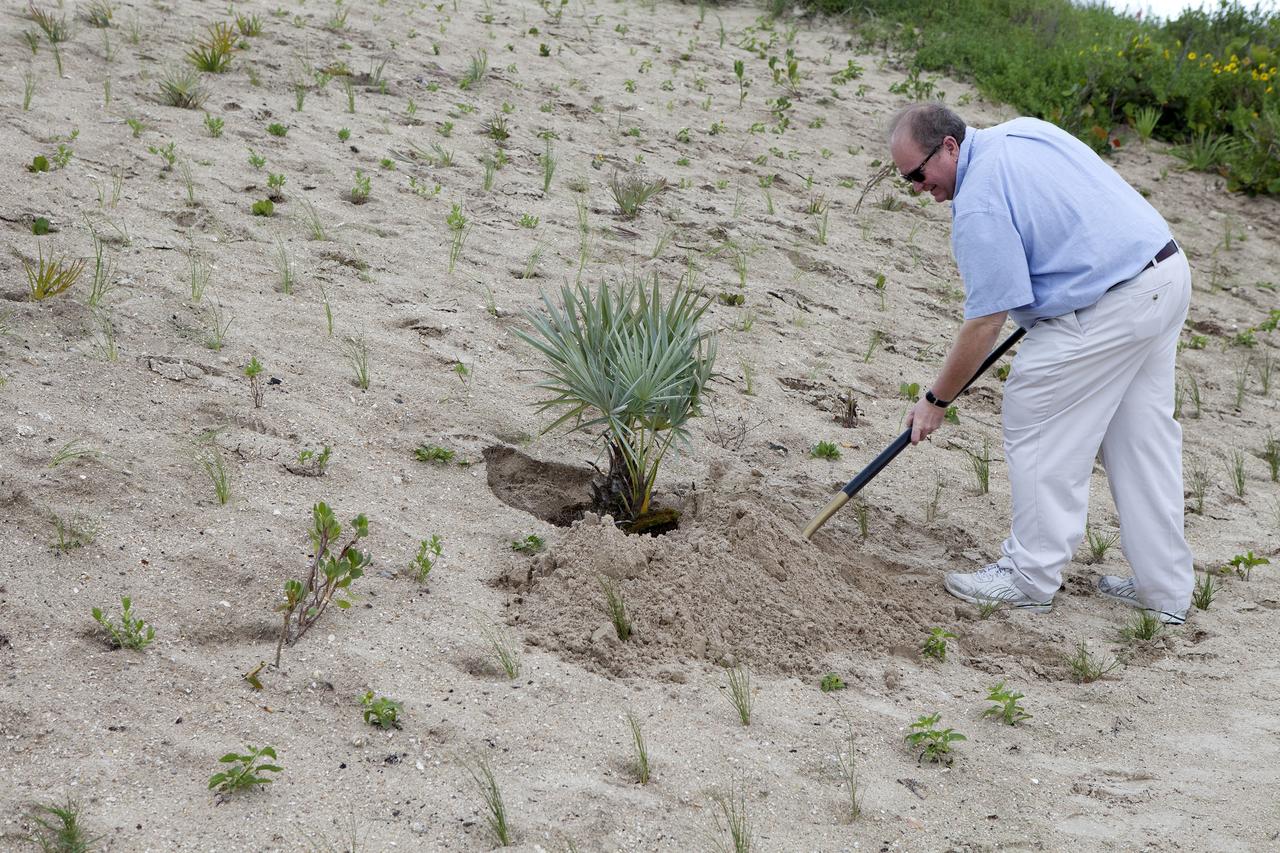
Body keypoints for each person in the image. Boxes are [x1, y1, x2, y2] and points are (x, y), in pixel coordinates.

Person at [888, 103, 1193, 625]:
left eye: (919, 174)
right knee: (1139, 438)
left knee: (1034, 413)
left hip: (1112, 300)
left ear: (950, 147)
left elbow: (985, 322)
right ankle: (1163, 592)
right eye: (906, 180)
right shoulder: (1021, 132)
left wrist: (937, 400)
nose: (918, 188)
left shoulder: (978, 201)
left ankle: (1028, 577)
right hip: (1164, 274)